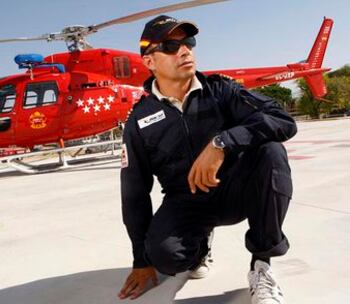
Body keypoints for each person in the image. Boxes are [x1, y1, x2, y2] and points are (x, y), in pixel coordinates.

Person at [118, 15, 297, 304]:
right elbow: (134, 192)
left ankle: (261, 264)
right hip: (186, 201)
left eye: (188, 42)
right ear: (149, 62)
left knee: (270, 152)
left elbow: (282, 121)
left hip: (234, 190)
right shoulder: (138, 120)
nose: (185, 50)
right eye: (170, 45)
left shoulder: (221, 90)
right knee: (165, 257)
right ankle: (201, 245)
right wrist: (141, 260)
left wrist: (223, 142)